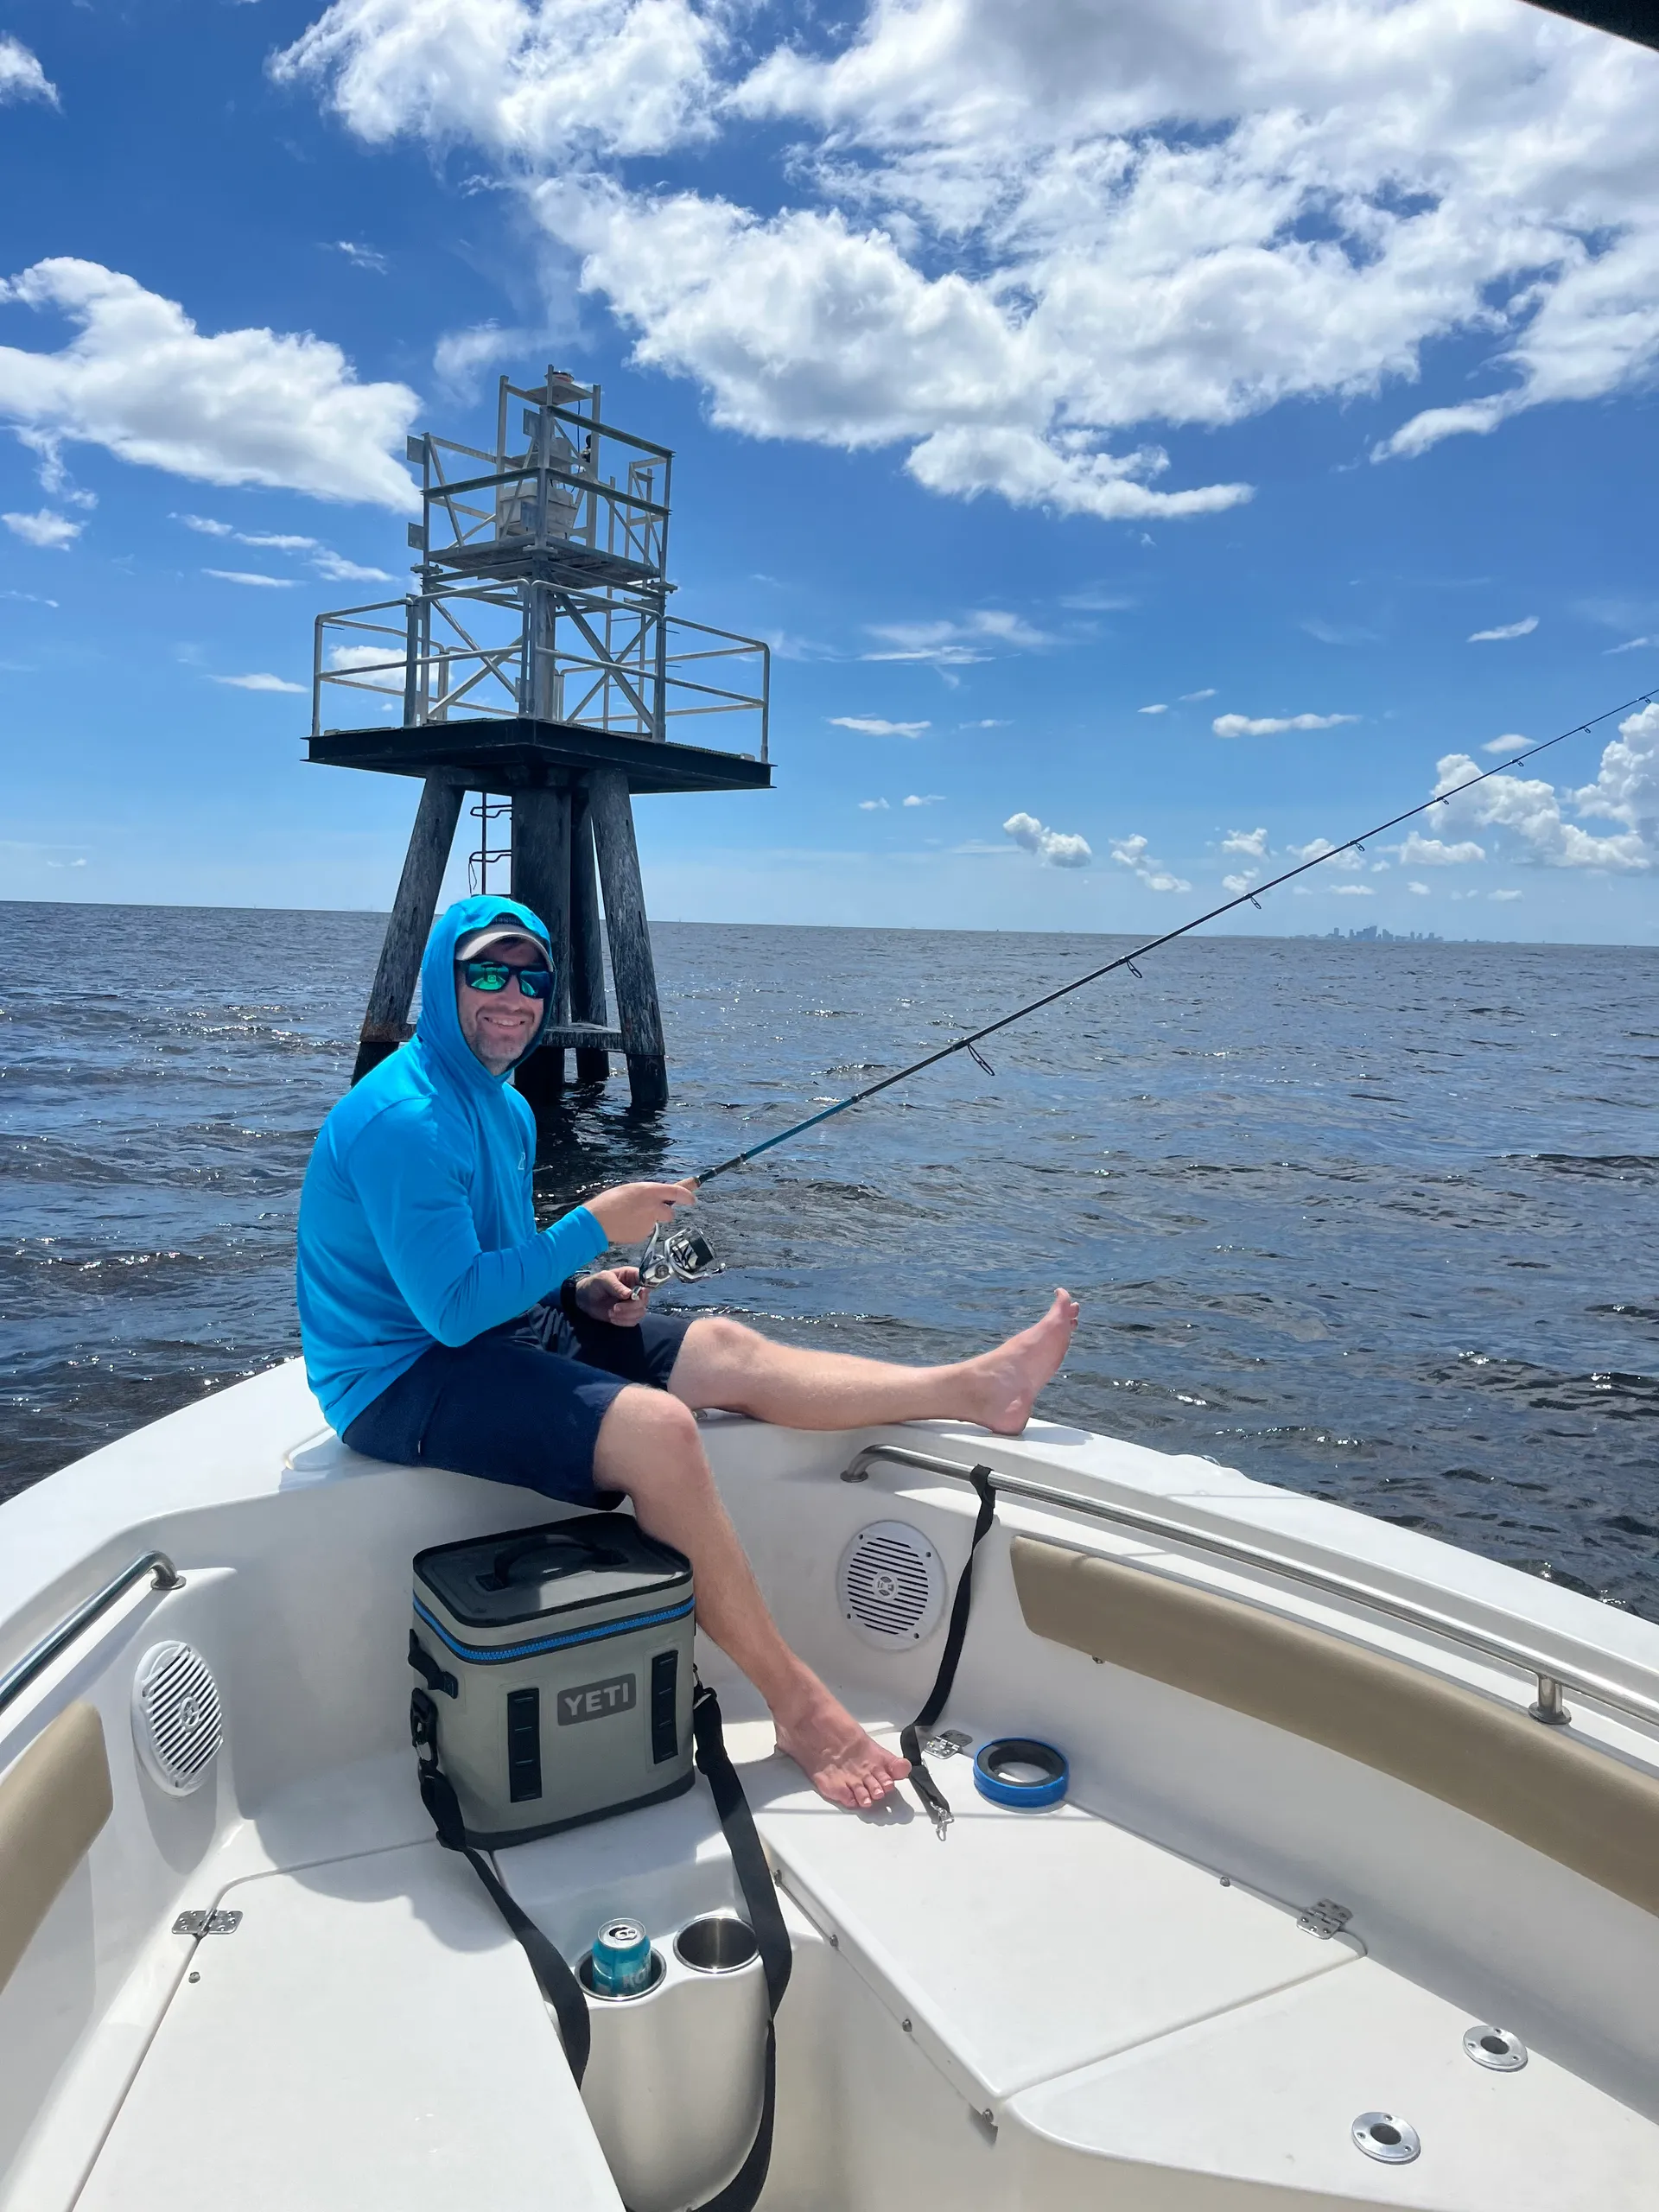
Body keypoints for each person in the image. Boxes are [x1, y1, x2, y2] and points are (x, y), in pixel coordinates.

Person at [298, 893, 1079, 1809]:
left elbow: (494, 1258)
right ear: (443, 978)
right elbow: (453, 1309)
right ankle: (798, 1705)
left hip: (483, 1327)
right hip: (399, 1375)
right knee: (661, 1431)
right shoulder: (404, 1118)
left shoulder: (501, 1107)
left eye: (530, 974)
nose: (511, 994)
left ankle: (976, 1388)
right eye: (485, 971)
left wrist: (575, 1288)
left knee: (726, 1350)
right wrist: (593, 1227)